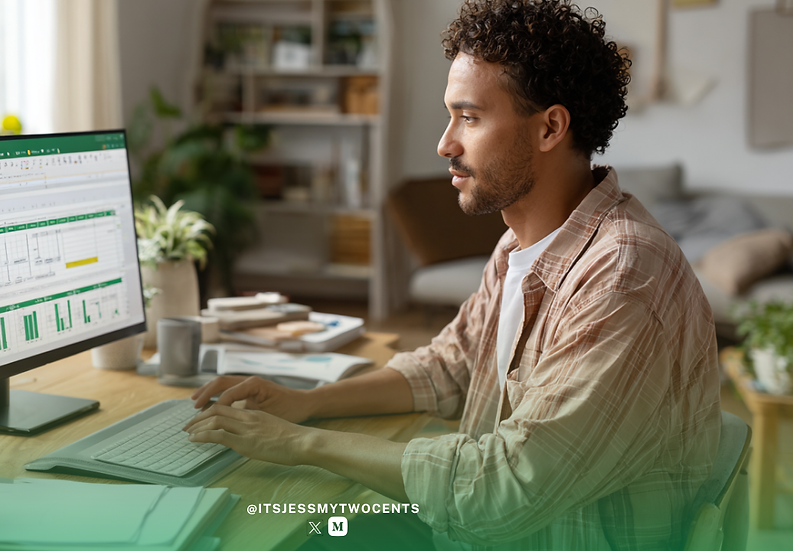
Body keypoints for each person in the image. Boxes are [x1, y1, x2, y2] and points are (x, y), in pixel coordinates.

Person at [185, 1, 721, 549]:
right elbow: (450, 365)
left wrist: (299, 444)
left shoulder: (622, 276)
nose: (445, 144)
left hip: (537, 538)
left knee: (291, 532)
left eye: (469, 118)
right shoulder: (521, 244)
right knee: (298, 527)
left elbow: (505, 489)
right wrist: (307, 402)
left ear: (550, 128)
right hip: (482, 531)